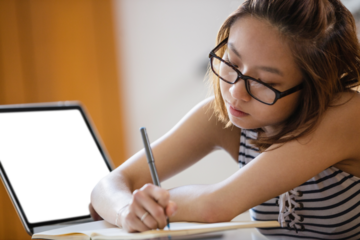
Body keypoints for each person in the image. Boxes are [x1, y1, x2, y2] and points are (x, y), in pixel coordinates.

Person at [89, 0, 360, 238]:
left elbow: (215, 207)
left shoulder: (347, 114)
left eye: (264, 81)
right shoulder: (225, 117)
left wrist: (147, 207)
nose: (236, 91)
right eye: (231, 62)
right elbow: (109, 184)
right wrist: (126, 210)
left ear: (314, 86)